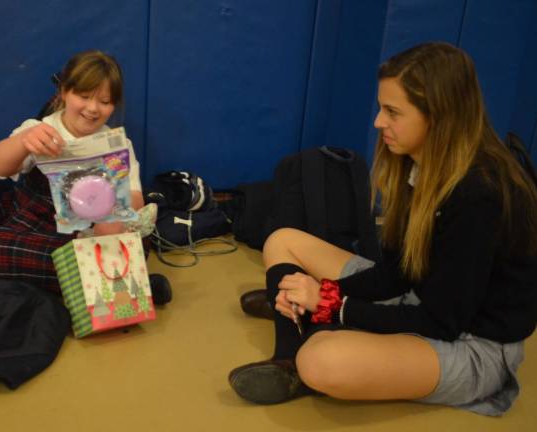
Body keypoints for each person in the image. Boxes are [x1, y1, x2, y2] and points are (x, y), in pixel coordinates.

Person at [228, 42, 537, 416]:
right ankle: (288, 351)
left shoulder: (479, 193)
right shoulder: (416, 161)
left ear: (439, 116)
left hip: (470, 343)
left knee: (321, 361)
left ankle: (300, 336)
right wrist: (327, 294)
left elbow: (441, 321)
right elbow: (394, 274)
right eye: (381, 108)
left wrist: (331, 306)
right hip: (420, 299)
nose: (377, 122)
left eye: (392, 112)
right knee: (282, 240)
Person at [0, 50, 171, 303]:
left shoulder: (117, 145)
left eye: (104, 102)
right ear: (64, 92)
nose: (93, 109)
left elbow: (135, 197)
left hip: (93, 229)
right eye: (84, 96)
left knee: (134, 244)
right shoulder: (40, 129)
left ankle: (88, 285)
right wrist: (23, 143)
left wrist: (113, 212)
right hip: (41, 222)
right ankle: (118, 286)